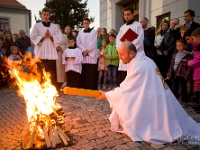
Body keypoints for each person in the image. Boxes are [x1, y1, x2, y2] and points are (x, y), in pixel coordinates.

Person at [98, 41, 200, 144]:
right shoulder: (145, 60)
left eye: (121, 54)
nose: (119, 57)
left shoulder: (139, 67)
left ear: (131, 53)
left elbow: (126, 90)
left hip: (153, 99)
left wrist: (107, 94)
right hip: (157, 96)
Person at [30, 7, 62, 89]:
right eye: (44, 14)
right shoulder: (37, 26)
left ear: (50, 15)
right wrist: (43, 36)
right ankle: (41, 89)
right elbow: (33, 37)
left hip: (51, 52)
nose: (46, 16)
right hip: (41, 52)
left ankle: (52, 89)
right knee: (40, 72)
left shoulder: (54, 27)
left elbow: (59, 37)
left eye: (47, 14)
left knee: (51, 72)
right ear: (42, 15)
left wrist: (51, 36)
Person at [116, 6, 144, 85]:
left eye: (128, 14)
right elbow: (118, 40)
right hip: (124, 55)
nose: (126, 17)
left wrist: (128, 49)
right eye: (125, 15)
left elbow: (139, 39)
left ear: (133, 14)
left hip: (133, 55)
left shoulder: (138, 25)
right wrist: (121, 49)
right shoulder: (122, 27)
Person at [166, 39, 193, 107]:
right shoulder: (175, 55)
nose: (178, 47)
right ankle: (175, 100)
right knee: (174, 87)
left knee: (183, 88)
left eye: (180, 45)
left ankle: (184, 101)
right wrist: (169, 74)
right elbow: (172, 65)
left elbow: (189, 67)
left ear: (185, 46)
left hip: (182, 74)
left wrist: (187, 75)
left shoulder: (188, 55)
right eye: (177, 45)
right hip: (174, 74)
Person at [76, 17, 98, 90]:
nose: (86, 24)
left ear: (89, 23)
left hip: (91, 55)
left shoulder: (93, 32)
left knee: (91, 71)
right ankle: (84, 86)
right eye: (84, 23)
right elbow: (78, 42)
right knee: (84, 71)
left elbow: (93, 42)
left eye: (87, 23)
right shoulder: (80, 33)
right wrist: (83, 50)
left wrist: (87, 50)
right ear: (83, 24)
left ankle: (91, 87)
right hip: (84, 55)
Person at [188, 28, 200, 113]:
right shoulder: (196, 47)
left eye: (193, 38)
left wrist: (190, 63)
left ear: (198, 37)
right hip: (197, 72)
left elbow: (198, 60)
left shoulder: (198, 47)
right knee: (197, 91)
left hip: (199, 73)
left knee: (199, 91)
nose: (192, 40)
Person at [56, 24, 68, 88]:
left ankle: (63, 82)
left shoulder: (64, 36)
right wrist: (55, 47)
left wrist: (61, 47)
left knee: (61, 69)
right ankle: (55, 83)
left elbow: (68, 46)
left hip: (61, 54)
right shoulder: (52, 37)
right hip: (54, 54)